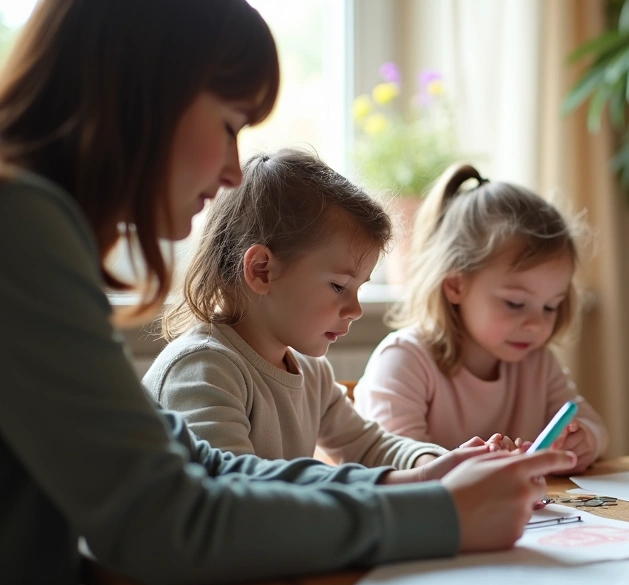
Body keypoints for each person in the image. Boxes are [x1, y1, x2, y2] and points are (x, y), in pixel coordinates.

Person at [0, 2, 573, 585]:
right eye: (228, 124)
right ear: (140, 97)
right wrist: (442, 517)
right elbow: (170, 523)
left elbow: (195, 465)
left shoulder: (34, 225)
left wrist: (408, 484)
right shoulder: (18, 227)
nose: (230, 170)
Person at [146, 148, 484, 478]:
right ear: (262, 270)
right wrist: (406, 484)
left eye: (360, 288)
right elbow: (240, 494)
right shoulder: (203, 370)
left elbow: (368, 446)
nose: (355, 310)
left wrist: (446, 463)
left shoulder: (312, 372)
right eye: (339, 287)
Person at [356, 164, 609, 474]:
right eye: (515, 303)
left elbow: (592, 425)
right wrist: (463, 466)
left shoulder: (537, 364)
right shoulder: (405, 360)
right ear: (455, 286)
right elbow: (391, 463)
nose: (536, 324)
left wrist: (586, 441)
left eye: (550, 306)